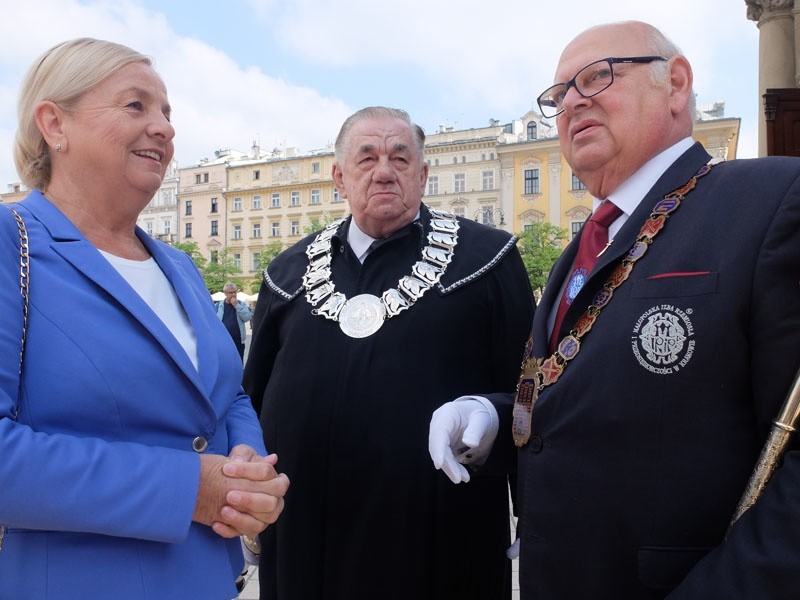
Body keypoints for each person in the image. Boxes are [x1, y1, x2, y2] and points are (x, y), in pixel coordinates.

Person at [429, 20, 800, 599]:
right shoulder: (580, 251)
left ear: (675, 83)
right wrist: (495, 419)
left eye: (596, 77)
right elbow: (587, 400)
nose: (571, 101)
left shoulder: (771, 198)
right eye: (557, 96)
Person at [0, 38, 289, 599]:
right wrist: (189, 489)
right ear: (54, 125)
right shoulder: (11, 245)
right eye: (136, 106)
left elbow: (223, 395)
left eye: (167, 113)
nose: (164, 128)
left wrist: (245, 466)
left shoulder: (178, 265)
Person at [243, 106, 535, 600]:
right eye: (367, 157)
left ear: (423, 175)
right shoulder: (286, 272)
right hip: (304, 539)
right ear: (339, 176)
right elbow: (251, 400)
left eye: (401, 159)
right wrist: (246, 502)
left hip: (437, 537)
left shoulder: (488, 258)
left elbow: (530, 389)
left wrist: (533, 506)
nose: (384, 170)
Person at [217, 281, 253, 360]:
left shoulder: (241, 304)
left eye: (235, 292)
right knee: (225, 362)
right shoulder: (219, 305)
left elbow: (247, 317)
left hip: (238, 341)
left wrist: (237, 306)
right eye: (230, 292)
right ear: (225, 293)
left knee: (239, 362)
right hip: (223, 341)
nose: (233, 294)